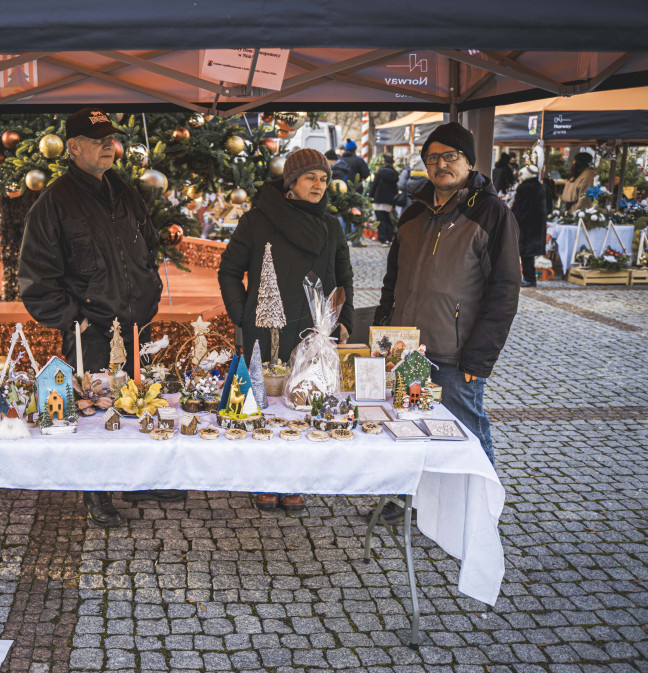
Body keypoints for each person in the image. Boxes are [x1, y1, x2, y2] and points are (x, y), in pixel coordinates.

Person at [19, 106, 176, 528]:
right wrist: (76, 320)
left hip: (135, 323)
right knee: (94, 410)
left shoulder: (123, 190)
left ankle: (137, 480)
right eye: (98, 139)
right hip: (90, 329)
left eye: (111, 138)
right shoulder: (54, 202)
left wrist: (150, 293)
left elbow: (148, 247)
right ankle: (97, 492)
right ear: (73, 147)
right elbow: (35, 281)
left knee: (138, 401)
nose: (110, 145)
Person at [374, 123, 520, 519]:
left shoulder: (492, 214)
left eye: (450, 156)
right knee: (408, 426)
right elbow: (393, 282)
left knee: (466, 432)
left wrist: (480, 358)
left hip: (457, 354)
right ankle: (407, 500)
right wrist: (384, 336)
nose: (440, 165)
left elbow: (505, 291)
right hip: (406, 350)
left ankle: (479, 509)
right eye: (432, 158)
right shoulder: (413, 213)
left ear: (469, 161)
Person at [218, 149, 354, 513]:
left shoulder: (331, 225)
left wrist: (344, 318)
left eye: (324, 179)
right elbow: (229, 270)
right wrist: (242, 314)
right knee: (267, 404)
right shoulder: (258, 220)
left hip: (312, 332)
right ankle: (265, 479)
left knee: (304, 404)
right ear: (291, 182)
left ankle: (295, 480)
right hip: (267, 327)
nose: (319, 185)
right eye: (311, 177)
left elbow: (344, 276)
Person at [513, 165, 548, 287]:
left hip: (526, 226)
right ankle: (529, 277)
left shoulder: (524, 188)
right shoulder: (541, 187)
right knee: (529, 254)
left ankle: (529, 278)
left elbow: (520, 209)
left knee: (525, 253)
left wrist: (513, 220)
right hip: (537, 226)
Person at [369, 154, 400, 245]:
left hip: (378, 199)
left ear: (385, 162)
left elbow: (374, 186)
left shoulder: (380, 172)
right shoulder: (395, 174)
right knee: (387, 219)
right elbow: (395, 188)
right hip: (389, 200)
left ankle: (384, 239)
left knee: (381, 220)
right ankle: (389, 238)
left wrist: (371, 197)